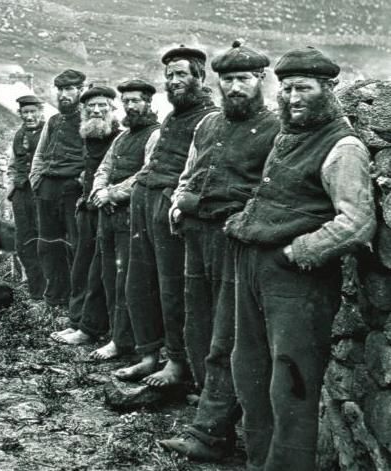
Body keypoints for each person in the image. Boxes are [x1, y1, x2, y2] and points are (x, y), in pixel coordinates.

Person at [224, 46, 375, 471]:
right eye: (287, 88)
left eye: (304, 88)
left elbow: (357, 222)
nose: (292, 97)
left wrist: (301, 251)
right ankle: (259, 463)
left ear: (328, 90)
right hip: (256, 268)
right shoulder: (288, 137)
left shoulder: (343, 147)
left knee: (291, 384)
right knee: (248, 371)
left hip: (296, 280)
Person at [158, 41, 280, 461]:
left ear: (260, 80)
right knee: (200, 327)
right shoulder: (208, 124)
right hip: (197, 238)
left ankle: (211, 436)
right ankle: (210, 409)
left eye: (243, 79)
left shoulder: (276, 128)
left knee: (227, 338)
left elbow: (267, 192)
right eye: (227, 80)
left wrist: (207, 207)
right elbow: (190, 173)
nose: (234, 88)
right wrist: (179, 201)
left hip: (235, 241)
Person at [115, 45, 219, 387]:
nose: (173, 82)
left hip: (168, 207)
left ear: (199, 78)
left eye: (181, 75)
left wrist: (175, 204)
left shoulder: (210, 116)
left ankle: (176, 362)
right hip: (144, 199)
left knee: (171, 287)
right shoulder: (173, 115)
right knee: (137, 281)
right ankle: (148, 355)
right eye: (169, 75)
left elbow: (199, 171)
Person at [52, 80, 160, 360]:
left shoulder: (154, 135)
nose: (131, 106)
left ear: (149, 103)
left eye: (136, 101)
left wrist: (111, 193)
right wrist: (100, 190)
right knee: (105, 276)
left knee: (125, 279)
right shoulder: (124, 138)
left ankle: (121, 340)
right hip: (106, 217)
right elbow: (104, 168)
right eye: (127, 101)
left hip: (131, 217)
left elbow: (146, 173)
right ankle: (106, 332)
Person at [51, 86, 121, 345]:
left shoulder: (119, 136)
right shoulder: (89, 135)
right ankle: (76, 321)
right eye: (90, 106)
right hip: (87, 209)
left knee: (97, 272)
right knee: (80, 268)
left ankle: (90, 329)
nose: (96, 110)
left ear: (113, 109)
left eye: (102, 105)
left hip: (107, 209)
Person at [29, 69, 86, 308]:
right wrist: (36, 180)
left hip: (72, 189)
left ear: (80, 91)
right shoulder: (53, 120)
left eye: (69, 89)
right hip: (47, 189)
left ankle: (76, 301)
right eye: (60, 90)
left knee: (75, 245)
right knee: (47, 245)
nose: (63, 95)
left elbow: (93, 157)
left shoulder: (89, 118)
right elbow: (40, 153)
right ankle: (54, 298)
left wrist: (81, 181)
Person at [6, 95, 46, 300]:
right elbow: (12, 165)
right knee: (24, 243)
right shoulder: (18, 135)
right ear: (20, 114)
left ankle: (50, 292)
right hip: (22, 195)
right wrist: (12, 190)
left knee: (45, 240)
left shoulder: (50, 132)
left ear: (41, 112)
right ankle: (35, 290)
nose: (30, 116)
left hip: (43, 193)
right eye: (25, 113)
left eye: (33, 112)